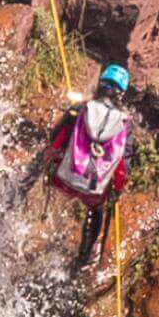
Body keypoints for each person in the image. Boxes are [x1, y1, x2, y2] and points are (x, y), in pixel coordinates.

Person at [35, 63, 134, 268]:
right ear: (122, 94)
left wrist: (50, 156)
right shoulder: (125, 124)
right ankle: (83, 256)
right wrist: (116, 190)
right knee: (96, 210)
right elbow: (123, 165)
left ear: (100, 84)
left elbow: (55, 139)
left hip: (62, 179)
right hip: (93, 191)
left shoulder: (81, 109)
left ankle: (13, 198)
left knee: (38, 161)